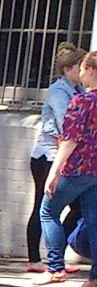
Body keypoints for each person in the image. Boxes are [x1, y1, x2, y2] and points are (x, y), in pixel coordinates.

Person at [36, 50, 97, 284]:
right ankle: (95, 276)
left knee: (48, 211)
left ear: (90, 71)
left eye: (82, 69)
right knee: (93, 220)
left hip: (77, 167)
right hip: (95, 169)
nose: (80, 74)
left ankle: (54, 267)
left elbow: (70, 139)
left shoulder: (81, 102)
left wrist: (54, 171)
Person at [29, 43, 87, 272]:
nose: (83, 72)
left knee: (78, 208)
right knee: (42, 207)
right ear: (68, 69)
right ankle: (34, 259)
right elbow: (68, 123)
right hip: (48, 155)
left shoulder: (80, 91)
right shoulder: (58, 91)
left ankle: (56, 259)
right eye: (79, 67)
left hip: (68, 156)